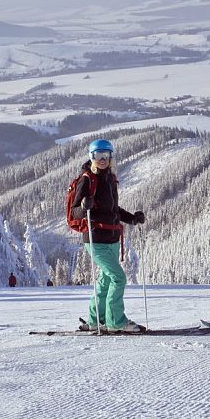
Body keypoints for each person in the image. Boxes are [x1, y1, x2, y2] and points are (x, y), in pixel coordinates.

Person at [70, 139, 146, 333]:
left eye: (105, 155)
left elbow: (113, 209)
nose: (102, 159)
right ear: (91, 157)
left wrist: (132, 219)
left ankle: (96, 320)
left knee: (105, 280)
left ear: (111, 157)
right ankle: (116, 322)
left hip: (112, 239)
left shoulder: (110, 179)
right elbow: (75, 212)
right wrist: (84, 205)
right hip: (96, 239)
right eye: (97, 155)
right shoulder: (87, 179)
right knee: (118, 278)